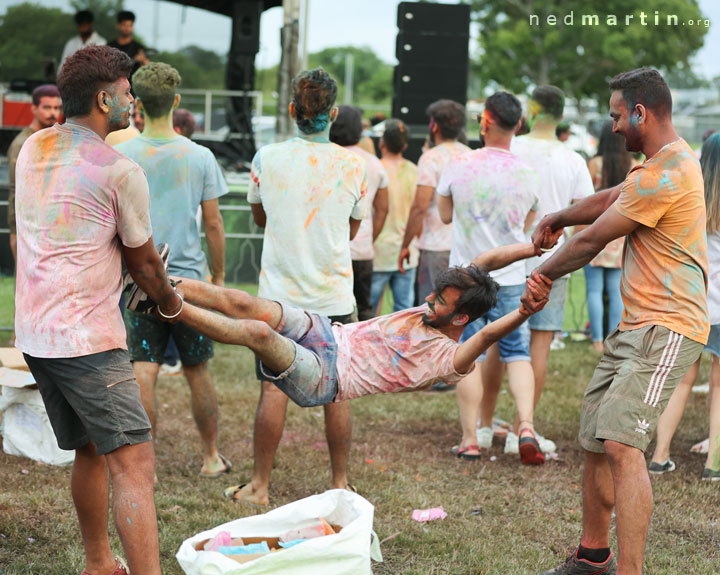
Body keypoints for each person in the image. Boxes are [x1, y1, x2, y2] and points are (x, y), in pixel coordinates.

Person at [528, 68, 708, 575]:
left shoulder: (667, 174)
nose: (612, 126)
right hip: (635, 326)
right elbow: (608, 199)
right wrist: (561, 215)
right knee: (594, 439)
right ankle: (593, 558)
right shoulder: (655, 166)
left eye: (615, 115)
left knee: (623, 444)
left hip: (668, 327)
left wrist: (537, 277)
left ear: (640, 113)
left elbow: (592, 241)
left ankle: (630, 572)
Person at [15, 45, 182, 575]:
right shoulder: (119, 169)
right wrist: (170, 302)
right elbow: (147, 267)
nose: (133, 99)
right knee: (134, 463)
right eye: (127, 91)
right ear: (105, 97)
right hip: (88, 341)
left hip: (37, 336)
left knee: (89, 449)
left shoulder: (32, 148)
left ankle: (99, 564)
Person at [128, 244, 553, 409]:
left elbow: (487, 335)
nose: (428, 299)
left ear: (460, 317)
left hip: (327, 377)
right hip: (329, 332)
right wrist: (532, 250)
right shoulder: (449, 300)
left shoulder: (451, 359)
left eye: (439, 301)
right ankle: (158, 281)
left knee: (258, 335)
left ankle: (160, 303)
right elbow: (486, 264)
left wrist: (524, 313)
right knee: (243, 302)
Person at [234, 68, 367, 506]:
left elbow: (260, 217)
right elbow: (350, 230)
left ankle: (259, 486)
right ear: (332, 114)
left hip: (278, 300)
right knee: (339, 387)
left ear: (292, 111)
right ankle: (340, 482)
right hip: (334, 297)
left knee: (273, 388)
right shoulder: (355, 164)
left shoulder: (266, 158)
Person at [116, 62, 229, 479]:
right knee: (198, 370)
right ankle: (211, 456)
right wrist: (217, 277)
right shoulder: (199, 156)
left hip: (137, 282)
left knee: (143, 369)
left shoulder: (122, 154)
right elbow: (214, 224)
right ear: (177, 101)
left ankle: (145, 464)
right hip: (189, 284)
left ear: (138, 105)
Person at [437, 92, 542, 464]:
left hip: (466, 277)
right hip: (512, 278)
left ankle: (470, 440)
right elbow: (529, 226)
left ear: (484, 122)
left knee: (468, 358)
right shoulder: (530, 172)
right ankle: (526, 426)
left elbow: (445, 215)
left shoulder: (459, 163)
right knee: (517, 354)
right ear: (518, 126)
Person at [510, 86, 594, 454]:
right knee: (539, 342)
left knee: (501, 342)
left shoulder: (509, 149)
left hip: (509, 260)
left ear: (529, 111)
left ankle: (481, 425)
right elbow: (585, 219)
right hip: (553, 263)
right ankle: (522, 428)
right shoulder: (572, 159)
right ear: (561, 116)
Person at [648, 132, 720, 482]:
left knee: (680, 381)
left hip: (691, 303)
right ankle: (714, 465)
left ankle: (660, 456)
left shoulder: (688, 197)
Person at [399, 99, 470, 303]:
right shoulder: (472, 155)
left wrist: (406, 245)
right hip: (466, 246)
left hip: (436, 247)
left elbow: (419, 207)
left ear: (434, 126)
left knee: (432, 308)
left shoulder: (430, 158)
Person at [329, 105, 389, 320]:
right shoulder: (373, 163)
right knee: (363, 311)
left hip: (326, 249)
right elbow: (382, 210)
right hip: (362, 250)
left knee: (326, 313)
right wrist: (369, 239)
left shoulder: (322, 159)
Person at [583, 120, 637, 352]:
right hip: (620, 234)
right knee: (616, 291)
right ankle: (611, 340)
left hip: (595, 231)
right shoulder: (633, 165)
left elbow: (585, 200)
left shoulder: (594, 164)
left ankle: (596, 340)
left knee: (594, 290)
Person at [7, 85, 61, 266]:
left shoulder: (55, 138)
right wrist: (15, 234)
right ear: (33, 108)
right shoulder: (22, 144)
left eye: (56, 108)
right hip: (30, 230)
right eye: (47, 107)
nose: (53, 113)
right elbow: (17, 193)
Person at [371, 119, 419, 314]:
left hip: (378, 250)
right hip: (408, 252)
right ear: (405, 145)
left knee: (369, 312)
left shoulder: (375, 169)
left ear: (382, 142)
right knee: (404, 313)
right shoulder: (415, 171)